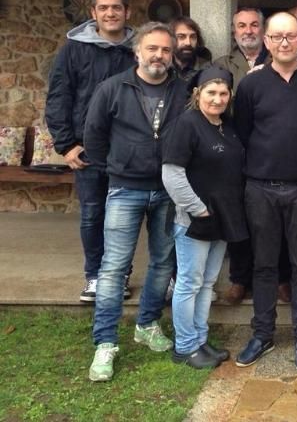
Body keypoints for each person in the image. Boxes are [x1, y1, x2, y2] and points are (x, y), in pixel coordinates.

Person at [83, 22, 189, 382]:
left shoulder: (182, 91)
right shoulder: (113, 88)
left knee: (162, 263)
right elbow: (94, 136)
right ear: (137, 52)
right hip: (125, 189)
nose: (159, 55)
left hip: (168, 191)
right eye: (152, 49)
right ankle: (105, 342)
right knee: (114, 267)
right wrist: (118, 167)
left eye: (165, 50)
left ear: (172, 55)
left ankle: (147, 324)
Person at [234, 12, 297, 372]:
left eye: (291, 35)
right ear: (267, 41)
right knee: (264, 265)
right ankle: (262, 334)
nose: (285, 42)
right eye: (277, 36)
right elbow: (243, 132)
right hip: (261, 188)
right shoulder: (251, 85)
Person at [45, 0, 136, 303]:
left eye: (116, 7)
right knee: (93, 215)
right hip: (87, 149)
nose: (110, 13)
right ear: (93, 13)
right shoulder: (73, 50)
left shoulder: (136, 50)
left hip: (127, 149)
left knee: (123, 218)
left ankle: (119, 275)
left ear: (127, 12)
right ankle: (95, 275)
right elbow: (59, 97)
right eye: (104, 8)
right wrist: (66, 145)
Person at [162, 66, 248, 369]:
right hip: (194, 220)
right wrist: (197, 209)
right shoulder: (186, 124)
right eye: (211, 92)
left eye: (223, 93)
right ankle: (185, 346)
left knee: (207, 282)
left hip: (222, 218)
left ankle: (199, 339)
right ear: (198, 94)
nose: (217, 99)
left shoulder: (227, 126)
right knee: (189, 282)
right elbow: (172, 174)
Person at [212, 7, 268, 305]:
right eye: (242, 25)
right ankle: (239, 279)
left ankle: (278, 278)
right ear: (234, 31)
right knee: (238, 218)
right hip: (234, 151)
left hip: (270, 150)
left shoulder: (278, 59)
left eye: (254, 25)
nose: (248, 30)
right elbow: (213, 104)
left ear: (263, 30)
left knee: (271, 220)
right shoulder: (221, 64)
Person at [171, 17, 212, 82]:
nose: (188, 43)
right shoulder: (164, 66)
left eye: (193, 37)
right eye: (181, 37)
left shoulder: (208, 70)